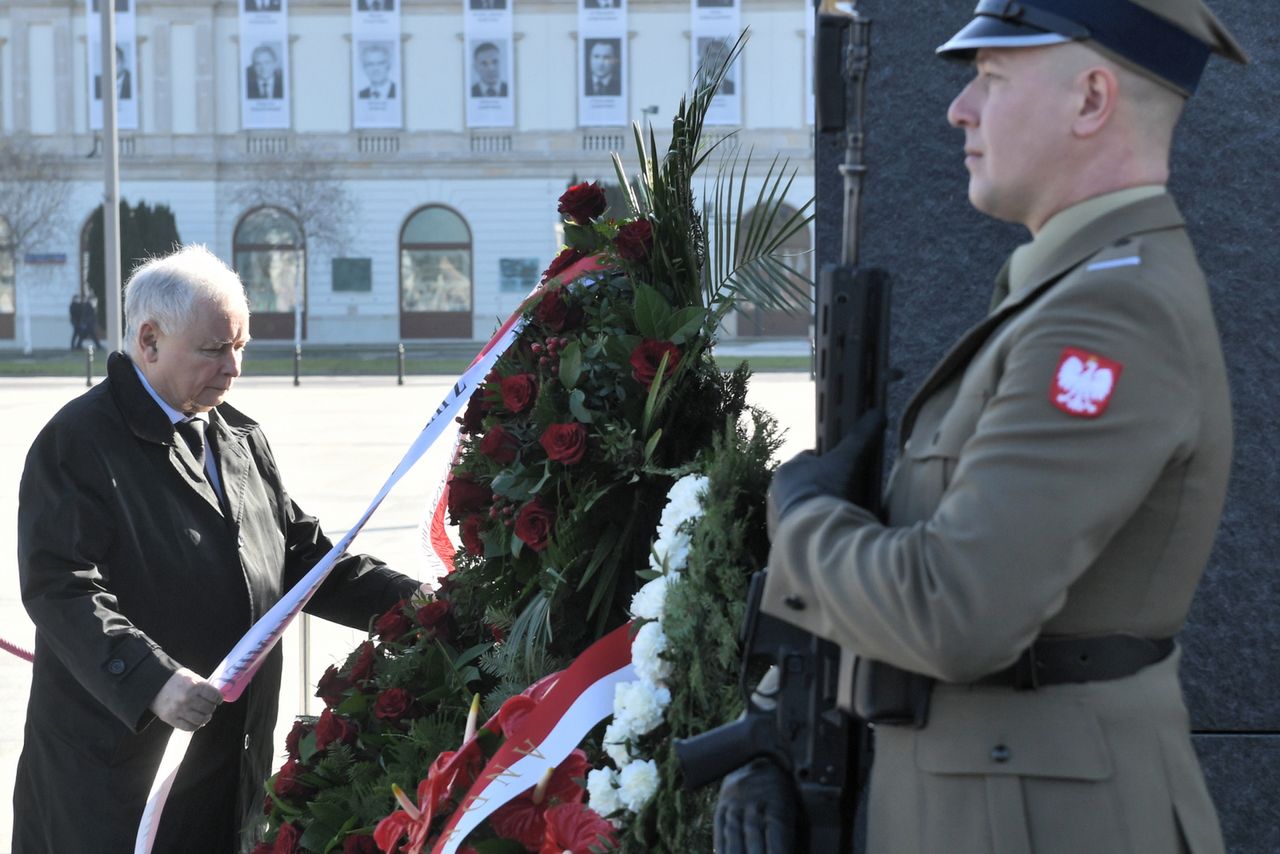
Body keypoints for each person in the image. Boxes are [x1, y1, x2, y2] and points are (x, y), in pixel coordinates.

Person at [716, 1, 1249, 852]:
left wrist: (803, 519)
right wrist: (782, 730)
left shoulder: (1110, 316)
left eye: (992, 79)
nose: (959, 110)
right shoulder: (1064, 292)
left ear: (1091, 101)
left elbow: (954, 610)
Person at [13, 246, 422, 853]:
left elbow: (302, 560)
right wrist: (153, 680)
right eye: (213, 349)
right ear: (148, 341)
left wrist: (420, 607)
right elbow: (61, 587)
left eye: (241, 347)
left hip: (226, 771)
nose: (233, 369)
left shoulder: (236, 436)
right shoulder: (78, 442)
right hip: (114, 782)